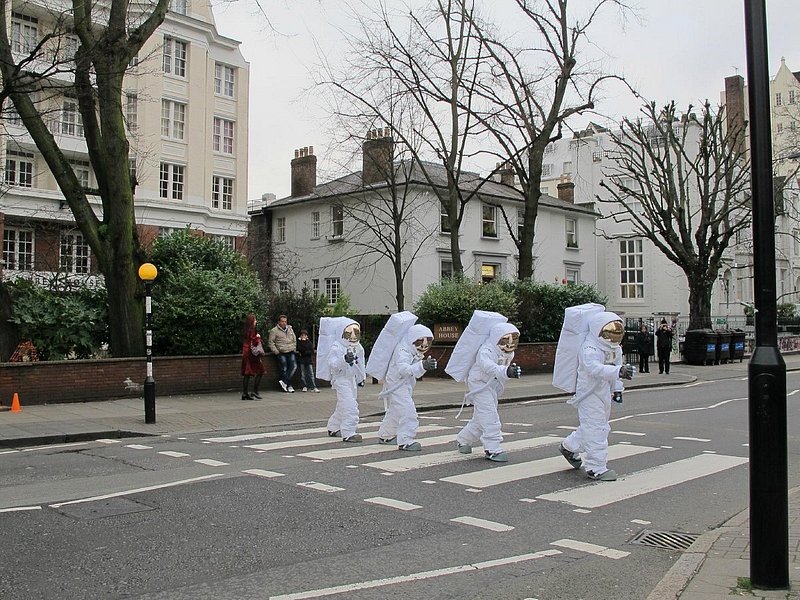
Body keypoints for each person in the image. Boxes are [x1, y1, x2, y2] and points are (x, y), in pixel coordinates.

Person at [556, 308, 634, 481]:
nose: (613, 337)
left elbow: (615, 366)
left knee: (596, 426)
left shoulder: (614, 349)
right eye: (610, 333)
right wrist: (617, 372)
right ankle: (596, 467)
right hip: (588, 393)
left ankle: (569, 447)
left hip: (603, 392)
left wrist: (618, 388)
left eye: (617, 333)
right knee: (596, 427)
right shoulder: (589, 348)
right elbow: (594, 369)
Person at [445, 310, 522, 463]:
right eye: (506, 340)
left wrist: (506, 373)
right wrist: (506, 371)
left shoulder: (508, 353)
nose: (510, 344)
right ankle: (492, 448)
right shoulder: (486, 351)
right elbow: (488, 367)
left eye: (513, 340)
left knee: (481, 417)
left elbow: (499, 370)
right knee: (489, 415)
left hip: (492, 385)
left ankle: (463, 439)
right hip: (479, 384)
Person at [366, 312, 437, 452]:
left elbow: (414, 373)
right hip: (397, 385)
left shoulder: (412, 350)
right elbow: (404, 369)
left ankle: (385, 435)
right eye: (420, 341)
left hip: (403, 385)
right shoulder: (403, 350)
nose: (424, 345)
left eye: (427, 342)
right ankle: (406, 440)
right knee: (408, 412)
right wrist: (423, 365)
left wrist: (423, 365)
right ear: (412, 339)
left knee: (395, 411)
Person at [317, 317, 366, 443]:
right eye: (350, 332)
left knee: (343, 405)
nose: (353, 336)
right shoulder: (336, 347)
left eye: (356, 332)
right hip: (341, 379)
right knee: (350, 405)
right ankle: (349, 432)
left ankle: (333, 427)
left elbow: (361, 364)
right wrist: (344, 359)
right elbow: (332, 363)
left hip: (352, 380)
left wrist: (361, 378)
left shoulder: (358, 347)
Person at [268, 314, 297, 392]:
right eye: (282, 321)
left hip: (291, 351)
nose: (284, 323)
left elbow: (294, 339)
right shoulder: (274, 331)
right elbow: (271, 342)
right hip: (281, 352)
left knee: (294, 367)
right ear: (279, 322)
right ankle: (289, 385)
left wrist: (294, 348)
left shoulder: (290, 329)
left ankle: (284, 382)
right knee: (284, 369)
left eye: (285, 321)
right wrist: (276, 351)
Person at [240, 313, 265, 400]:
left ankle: (245, 393)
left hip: (246, 352)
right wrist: (258, 338)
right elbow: (254, 341)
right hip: (252, 353)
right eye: (255, 320)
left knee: (247, 374)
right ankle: (255, 391)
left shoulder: (245, 329)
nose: (256, 321)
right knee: (261, 371)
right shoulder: (252, 330)